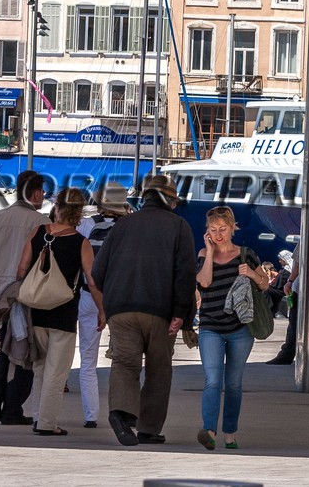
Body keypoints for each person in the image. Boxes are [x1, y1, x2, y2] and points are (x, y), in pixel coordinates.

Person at [92, 175, 195, 447]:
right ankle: (148, 429)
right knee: (159, 369)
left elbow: (97, 271)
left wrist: (114, 299)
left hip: (121, 310)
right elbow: (185, 274)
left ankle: (120, 413)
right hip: (160, 311)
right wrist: (181, 313)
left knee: (124, 364)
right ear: (170, 200)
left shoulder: (123, 225)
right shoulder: (179, 226)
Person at [16, 188, 100, 437]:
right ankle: (47, 423)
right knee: (57, 371)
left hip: (36, 309)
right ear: (79, 213)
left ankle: (37, 416)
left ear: (57, 208)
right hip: (64, 312)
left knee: (40, 368)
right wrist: (102, 310)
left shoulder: (38, 232)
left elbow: (21, 270)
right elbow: (92, 281)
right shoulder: (81, 243)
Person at [194, 205, 267, 450]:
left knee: (234, 383)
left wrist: (252, 275)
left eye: (222, 229)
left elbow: (265, 285)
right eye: (213, 229)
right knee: (213, 380)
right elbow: (204, 282)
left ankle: (230, 433)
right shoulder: (204, 254)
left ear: (233, 228)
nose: (218, 234)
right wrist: (210, 252)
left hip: (240, 328)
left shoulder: (246, 254)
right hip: (210, 326)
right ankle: (209, 430)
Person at [0, 170, 47, 426]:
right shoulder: (40, 222)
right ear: (36, 193)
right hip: (25, 296)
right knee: (26, 353)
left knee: (5, 348)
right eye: (42, 191)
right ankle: (12, 407)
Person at [77, 182, 130, 428]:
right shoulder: (130, 227)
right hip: (121, 299)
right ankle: (124, 411)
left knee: (88, 361)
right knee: (126, 360)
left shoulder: (87, 224)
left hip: (90, 295)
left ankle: (91, 416)